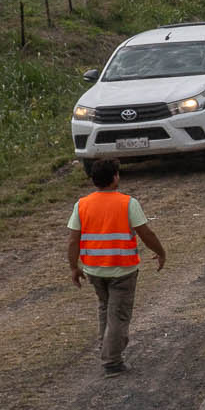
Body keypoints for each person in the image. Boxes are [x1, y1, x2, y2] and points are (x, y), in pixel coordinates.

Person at [66, 157, 166, 374]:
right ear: (114, 178)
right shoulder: (128, 203)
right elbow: (146, 233)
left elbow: (73, 239)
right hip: (122, 270)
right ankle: (112, 361)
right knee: (118, 315)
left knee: (105, 309)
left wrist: (74, 267)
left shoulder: (81, 205)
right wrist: (160, 252)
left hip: (94, 270)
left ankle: (106, 347)